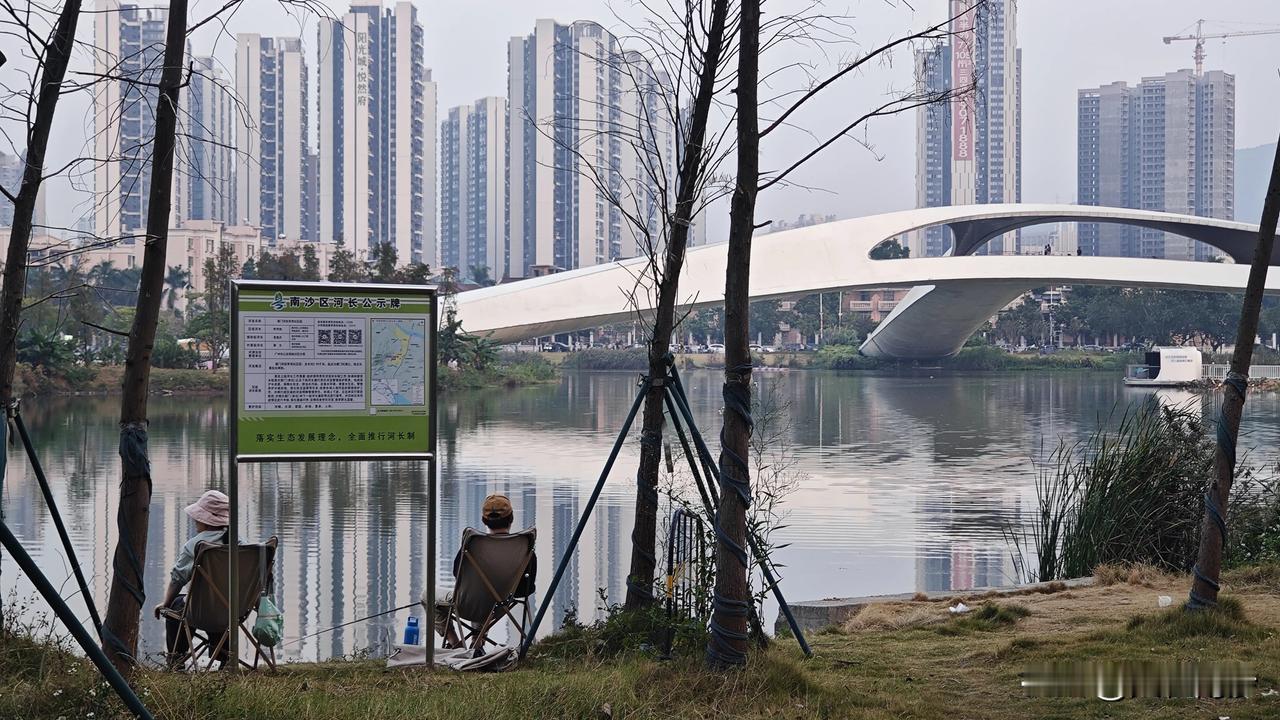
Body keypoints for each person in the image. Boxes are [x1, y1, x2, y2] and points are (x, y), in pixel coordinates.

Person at [430, 494, 536, 647]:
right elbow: (527, 588)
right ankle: (477, 644)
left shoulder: (473, 543)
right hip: (500, 607)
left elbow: (458, 575)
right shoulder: (524, 544)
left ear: (484, 520)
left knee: (427, 595)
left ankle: (454, 642)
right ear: (511, 518)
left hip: (465, 605)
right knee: (486, 592)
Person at [153, 489, 229, 667]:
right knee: (219, 604)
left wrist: (165, 604)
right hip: (233, 611)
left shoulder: (196, 545)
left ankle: (176, 659)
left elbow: (178, 579)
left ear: (204, 519)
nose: (195, 520)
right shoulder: (239, 544)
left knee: (177, 605)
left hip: (202, 611)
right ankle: (224, 657)